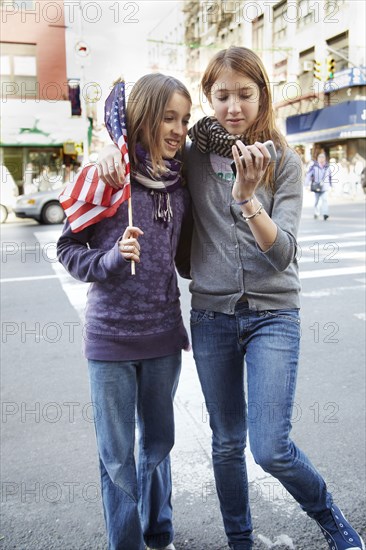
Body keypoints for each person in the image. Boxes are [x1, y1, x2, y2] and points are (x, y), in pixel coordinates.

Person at [98, 47, 364, 550]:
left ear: (263, 94)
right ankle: (240, 540)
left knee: (271, 448)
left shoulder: (283, 162)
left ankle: (333, 523)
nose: (233, 106)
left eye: (245, 94)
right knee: (225, 443)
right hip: (212, 315)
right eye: (222, 96)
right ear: (209, 99)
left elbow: (281, 253)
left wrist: (245, 197)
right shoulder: (195, 155)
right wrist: (107, 151)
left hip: (273, 315)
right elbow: (144, 154)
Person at [57, 73, 192, 550]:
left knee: (158, 447)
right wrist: (109, 260)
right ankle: (127, 544)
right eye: (168, 118)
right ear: (145, 118)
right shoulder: (109, 178)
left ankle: (160, 535)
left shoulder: (181, 182)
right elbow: (68, 248)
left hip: (163, 338)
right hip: (110, 340)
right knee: (117, 458)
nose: (177, 129)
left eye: (184, 119)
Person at [305, 152, 332, 220]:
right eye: (320, 157)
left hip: (325, 186)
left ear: (325, 158)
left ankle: (325, 213)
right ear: (317, 158)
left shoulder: (327, 167)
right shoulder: (314, 166)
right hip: (316, 186)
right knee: (317, 201)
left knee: (325, 200)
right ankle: (316, 213)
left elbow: (330, 177)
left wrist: (332, 186)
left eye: (323, 157)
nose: (321, 159)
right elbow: (308, 176)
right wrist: (307, 185)